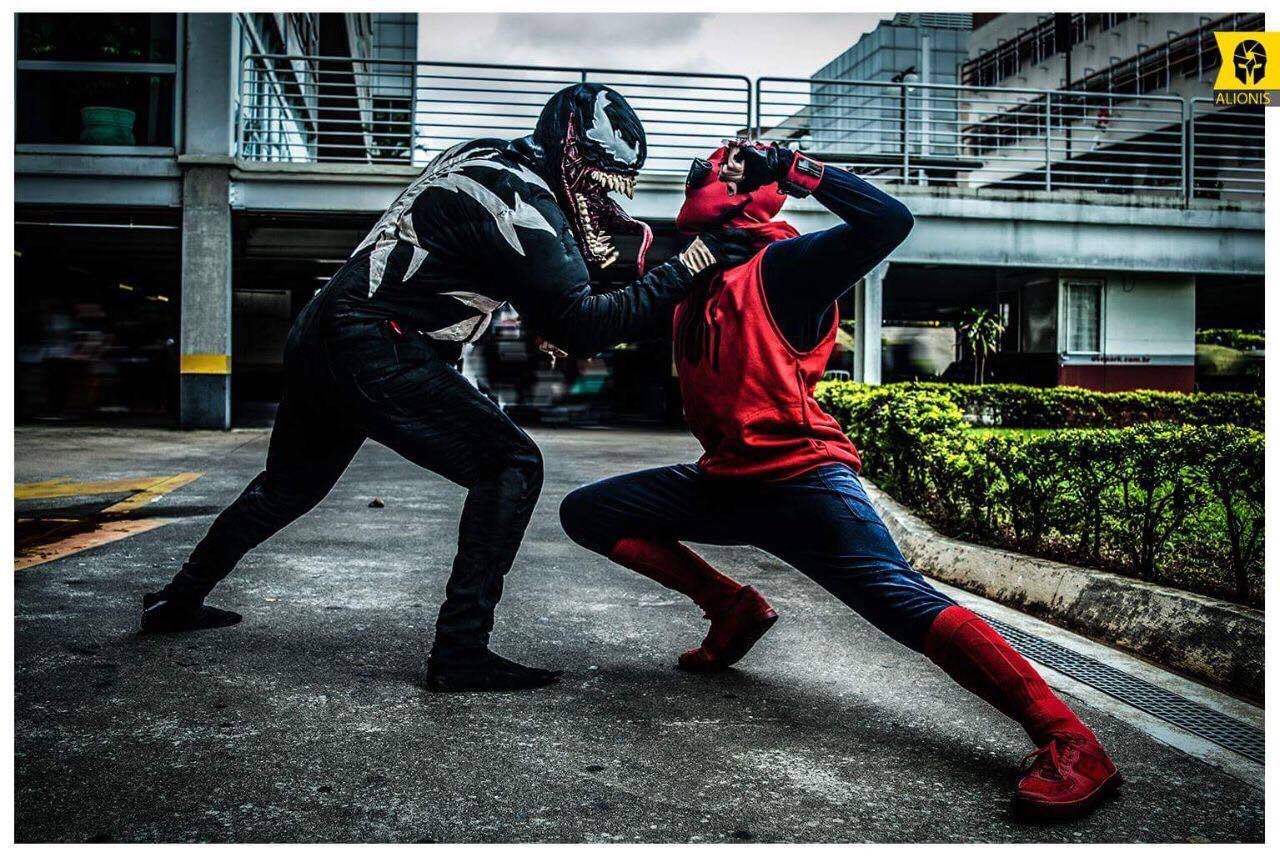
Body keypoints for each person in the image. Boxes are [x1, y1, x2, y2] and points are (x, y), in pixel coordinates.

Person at [558, 142, 1120, 819]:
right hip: (726, 483)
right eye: (712, 161)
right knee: (589, 512)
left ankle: (1071, 740)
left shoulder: (785, 264)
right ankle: (732, 607)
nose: (710, 168)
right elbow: (605, 308)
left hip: (805, 483)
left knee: (904, 602)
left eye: (727, 162)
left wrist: (795, 165)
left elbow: (890, 221)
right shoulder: (694, 278)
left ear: (748, 187)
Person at [140, 84, 754, 693]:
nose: (601, 197)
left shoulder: (479, 153)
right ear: (570, 150)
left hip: (325, 327)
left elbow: (475, 258)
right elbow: (584, 325)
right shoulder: (526, 200)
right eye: (595, 179)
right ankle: (460, 648)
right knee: (512, 465)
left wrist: (550, 311)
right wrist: (692, 262)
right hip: (379, 342)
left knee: (285, 487)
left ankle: (178, 598)